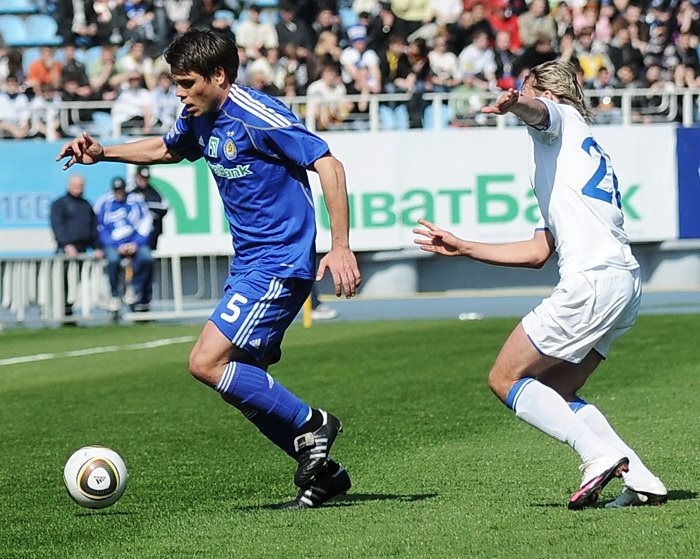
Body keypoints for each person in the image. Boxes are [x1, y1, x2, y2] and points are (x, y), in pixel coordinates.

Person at [56, 29, 362, 509]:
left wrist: (340, 246)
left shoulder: (257, 114)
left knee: (205, 362)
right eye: (176, 83)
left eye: (186, 83)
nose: (179, 93)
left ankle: (313, 424)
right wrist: (103, 154)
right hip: (249, 264)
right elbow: (168, 149)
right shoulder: (198, 115)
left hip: (279, 261)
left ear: (219, 75)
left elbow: (329, 165)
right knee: (240, 381)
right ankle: (324, 475)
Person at [413, 60, 667, 510]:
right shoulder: (572, 152)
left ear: (547, 93)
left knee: (504, 377)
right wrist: (465, 246)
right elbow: (536, 252)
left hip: (591, 280)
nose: (519, 96)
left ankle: (597, 456)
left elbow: (542, 112)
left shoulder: (559, 119)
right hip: (622, 282)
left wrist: (517, 105)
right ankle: (641, 479)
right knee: (556, 392)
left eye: (525, 87)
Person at [94, 176, 154, 312]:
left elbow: (146, 223)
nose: (119, 193)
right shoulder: (104, 203)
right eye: (116, 190)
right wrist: (116, 245)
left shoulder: (135, 201)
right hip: (114, 245)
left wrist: (135, 243)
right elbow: (100, 228)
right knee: (113, 259)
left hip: (134, 243)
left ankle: (135, 289)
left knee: (146, 258)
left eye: (121, 190)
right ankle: (115, 294)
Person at [50, 174, 103, 321]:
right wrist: (67, 244)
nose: (79, 189)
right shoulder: (60, 204)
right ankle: (62, 312)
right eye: (76, 186)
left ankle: (70, 310)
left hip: (82, 250)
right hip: (65, 251)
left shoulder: (86, 205)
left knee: (76, 282)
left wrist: (97, 247)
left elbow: (93, 228)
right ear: (69, 185)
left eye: (81, 186)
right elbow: (58, 226)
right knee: (63, 282)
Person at [132, 166, 169, 250]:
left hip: (151, 232)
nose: (143, 180)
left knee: (146, 253)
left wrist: (144, 203)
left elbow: (164, 208)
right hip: (133, 233)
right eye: (141, 177)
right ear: (136, 176)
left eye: (146, 178)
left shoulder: (154, 193)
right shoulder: (131, 192)